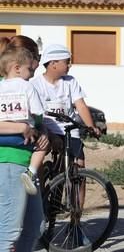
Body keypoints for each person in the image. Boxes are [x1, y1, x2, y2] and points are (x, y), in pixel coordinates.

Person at [0, 43, 50, 252]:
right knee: (8, 230)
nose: (32, 74)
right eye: (31, 68)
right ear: (16, 65)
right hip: (8, 162)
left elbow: (38, 120)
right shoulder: (12, 87)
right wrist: (22, 127)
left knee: (33, 225)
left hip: (25, 162)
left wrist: (40, 131)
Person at [30, 44, 102, 174]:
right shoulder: (35, 84)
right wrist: (48, 134)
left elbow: (80, 104)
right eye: (67, 62)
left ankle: (78, 194)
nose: (69, 65)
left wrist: (91, 126)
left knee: (79, 164)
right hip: (48, 129)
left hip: (69, 129)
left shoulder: (70, 81)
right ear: (53, 63)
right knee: (39, 157)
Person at [0, 37, 47, 195]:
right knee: (41, 147)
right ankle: (31, 171)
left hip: (11, 148)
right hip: (15, 156)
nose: (37, 63)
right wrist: (26, 126)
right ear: (18, 67)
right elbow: (38, 112)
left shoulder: (2, 85)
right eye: (36, 57)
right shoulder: (27, 86)